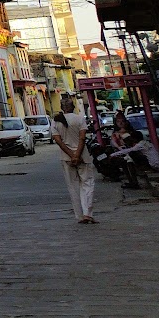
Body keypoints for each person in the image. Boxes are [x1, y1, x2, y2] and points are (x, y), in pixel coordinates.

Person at [52, 94, 96, 224]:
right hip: (83, 156)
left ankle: (80, 215)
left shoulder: (56, 121)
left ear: (61, 108)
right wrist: (77, 155)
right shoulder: (79, 119)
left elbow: (58, 141)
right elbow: (82, 138)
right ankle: (88, 213)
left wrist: (71, 155)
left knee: (73, 186)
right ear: (73, 107)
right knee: (87, 184)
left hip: (66, 158)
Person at [109, 110, 159, 189]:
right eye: (118, 121)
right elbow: (116, 145)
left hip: (150, 162)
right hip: (127, 152)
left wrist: (114, 154)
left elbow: (129, 150)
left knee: (129, 159)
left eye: (122, 121)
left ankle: (134, 181)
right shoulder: (116, 134)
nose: (121, 123)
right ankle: (132, 181)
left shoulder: (137, 141)